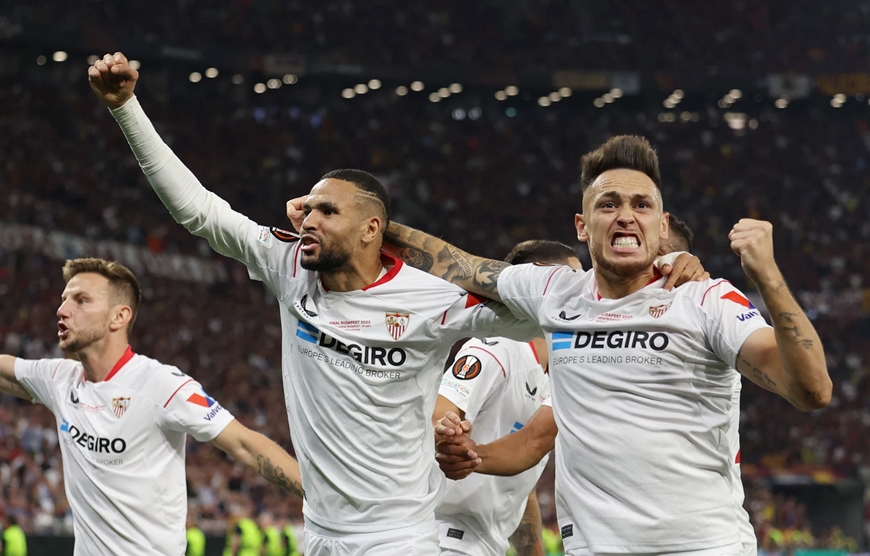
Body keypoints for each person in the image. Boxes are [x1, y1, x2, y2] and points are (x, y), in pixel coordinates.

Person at [88, 51, 551, 556]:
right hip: (320, 534)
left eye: (328, 211)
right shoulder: (288, 267)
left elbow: (538, 313)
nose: (308, 220)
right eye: (307, 209)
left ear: (372, 230)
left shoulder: (430, 298)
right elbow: (197, 210)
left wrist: (400, 235)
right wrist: (125, 108)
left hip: (398, 536)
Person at [376, 135, 833, 554]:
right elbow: (457, 265)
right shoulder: (555, 292)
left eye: (641, 205)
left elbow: (812, 390)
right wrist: (365, 224)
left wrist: (768, 277)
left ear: (662, 225)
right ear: (582, 225)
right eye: (608, 204)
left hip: (701, 546)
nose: (625, 215)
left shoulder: (706, 299)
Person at [0, 258, 304, 555]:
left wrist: (322, 495)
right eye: (64, 299)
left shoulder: (161, 384)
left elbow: (245, 444)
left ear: (119, 317)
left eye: (81, 300)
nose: (62, 309)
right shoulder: (60, 380)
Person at [434, 239, 582, 556]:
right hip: (444, 537)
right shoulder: (496, 347)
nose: (584, 292)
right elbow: (440, 414)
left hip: (486, 546)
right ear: (537, 281)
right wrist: (449, 438)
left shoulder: (556, 376)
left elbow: (518, 484)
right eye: (573, 279)